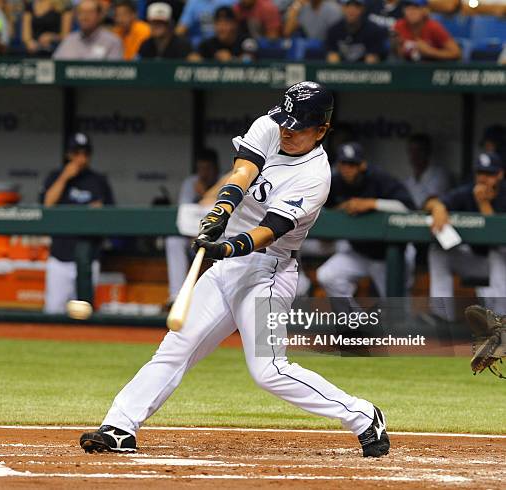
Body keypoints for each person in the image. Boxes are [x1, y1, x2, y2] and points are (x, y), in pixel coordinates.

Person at [79, 82, 391, 459]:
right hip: (229, 266)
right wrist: (220, 212)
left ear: (322, 130)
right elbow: (242, 173)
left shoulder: (315, 177)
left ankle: (363, 416)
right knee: (177, 345)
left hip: (269, 272)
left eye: (299, 126)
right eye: (285, 121)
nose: (287, 130)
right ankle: (119, 426)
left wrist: (227, 245)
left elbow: (269, 230)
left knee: (269, 370)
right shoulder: (270, 124)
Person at [316, 142, 415, 298]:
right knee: (327, 275)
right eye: (343, 164)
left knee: (396, 308)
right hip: (359, 252)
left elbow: (407, 208)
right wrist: (341, 208)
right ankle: (355, 320)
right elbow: (321, 209)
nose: (347, 169)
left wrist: (371, 203)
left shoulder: (379, 178)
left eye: (352, 164)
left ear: (362, 165)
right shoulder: (334, 183)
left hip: (390, 255)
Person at [425, 151, 506, 319]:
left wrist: (483, 204)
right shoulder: (468, 191)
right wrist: (439, 208)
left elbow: (497, 236)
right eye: (480, 173)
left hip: (502, 263)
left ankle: (501, 320)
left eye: (489, 174)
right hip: (477, 261)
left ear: (499, 174)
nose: (483, 179)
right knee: (439, 252)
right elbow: (431, 201)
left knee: (497, 253)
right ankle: (442, 317)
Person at [40, 133, 115, 314]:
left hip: (89, 258)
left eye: (85, 153)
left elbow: (112, 217)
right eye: (77, 152)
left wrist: (99, 212)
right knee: (53, 311)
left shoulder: (98, 180)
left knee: (84, 314)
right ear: (69, 154)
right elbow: (47, 205)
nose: (81, 158)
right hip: (60, 256)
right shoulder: (56, 176)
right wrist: (65, 177)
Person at [166, 149, 220, 304]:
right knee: (173, 241)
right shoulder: (191, 183)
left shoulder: (225, 181)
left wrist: (207, 194)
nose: (204, 173)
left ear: (215, 168)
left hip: (217, 239)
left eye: (207, 168)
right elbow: (186, 214)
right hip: (193, 238)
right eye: (201, 168)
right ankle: (176, 296)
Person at [53, 0, 122, 59]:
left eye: (90, 12)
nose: (84, 16)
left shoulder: (112, 42)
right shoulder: (69, 41)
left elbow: (115, 71)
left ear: (99, 16)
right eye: (81, 12)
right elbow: (55, 67)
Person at [393, 0, 460, 62]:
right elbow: (396, 56)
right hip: (408, 69)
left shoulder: (433, 27)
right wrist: (398, 48)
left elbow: (456, 53)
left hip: (433, 68)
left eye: (416, 8)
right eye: (407, 8)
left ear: (425, 11)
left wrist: (430, 51)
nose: (411, 12)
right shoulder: (399, 26)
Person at [189, 6, 256, 62]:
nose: (221, 28)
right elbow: (194, 58)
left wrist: (232, 60)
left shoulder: (246, 41)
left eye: (226, 23)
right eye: (218, 23)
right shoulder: (207, 45)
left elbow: (250, 59)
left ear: (234, 24)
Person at [403, 133, 450, 209]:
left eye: (419, 150)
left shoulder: (439, 175)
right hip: (409, 218)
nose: (415, 155)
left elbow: (433, 201)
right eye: (411, 151)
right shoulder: (408, 181)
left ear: (428, 152)